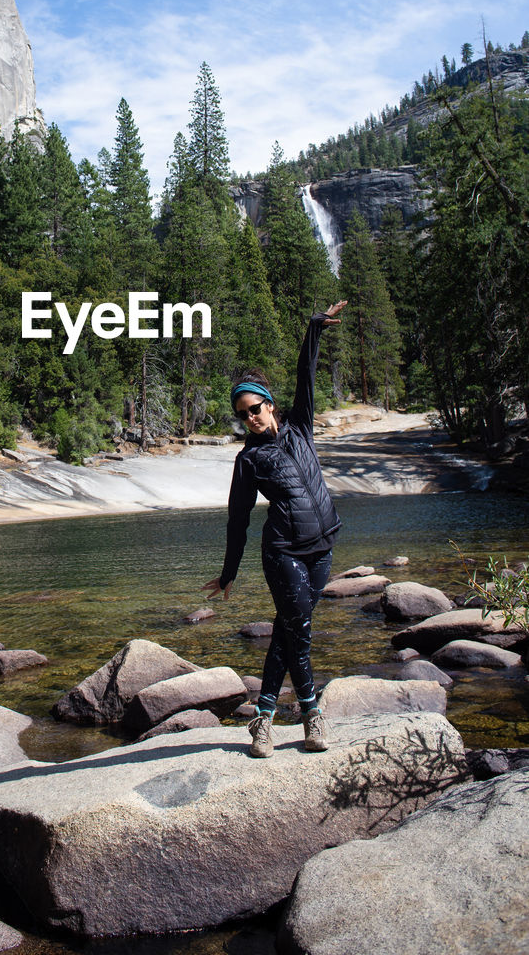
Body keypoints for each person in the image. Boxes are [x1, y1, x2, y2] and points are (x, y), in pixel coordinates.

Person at [202, 301, 347, 758]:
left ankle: (263, 718)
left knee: (288, 631)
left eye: (256, 408)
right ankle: (310, 716)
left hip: (322, 547)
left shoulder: (300, 428)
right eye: (243, 414)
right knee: (298, 631)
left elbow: (307, 377)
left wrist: (314, 329)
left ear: (270, 404)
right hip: (283, 551)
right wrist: (228, 574)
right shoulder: (248, 460)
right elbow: (238, 519)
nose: (251, 418)